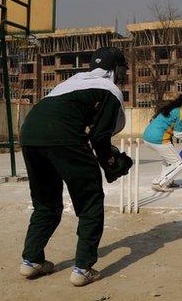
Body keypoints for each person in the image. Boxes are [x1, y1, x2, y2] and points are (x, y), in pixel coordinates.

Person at [18, 47, 132, 286]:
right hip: (64, 136)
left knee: (45, 204)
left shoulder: (70, 83)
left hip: (30, 134)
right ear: (116, 70)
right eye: (122, 71)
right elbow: (100, 138)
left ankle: (31, 261)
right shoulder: (110, 90)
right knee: (90, 201)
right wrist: (114, 164)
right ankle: (82, 268)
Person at [143, 89, 182, 192]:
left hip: (148, 136)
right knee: (179, 163)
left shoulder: (173, 108)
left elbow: (177, 126)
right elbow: (178, 134)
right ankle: (159, 182)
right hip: (159, 138)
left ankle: (168, 181)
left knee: (168, 160)